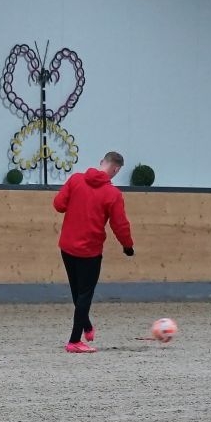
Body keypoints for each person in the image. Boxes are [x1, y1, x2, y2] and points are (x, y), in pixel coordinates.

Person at [54, 150, 134, 352]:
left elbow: (59, 205)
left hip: (67, 247)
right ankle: (74, 341)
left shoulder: (75, 180)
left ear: (101, 162)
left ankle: (86, 325)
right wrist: (127, 245)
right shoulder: (113, 194)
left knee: (77, 292)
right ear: (116, 169)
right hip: (89, 252)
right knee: (85, 295)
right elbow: (120, 225)